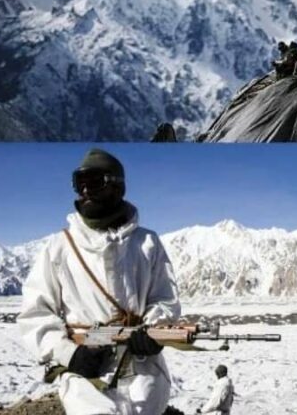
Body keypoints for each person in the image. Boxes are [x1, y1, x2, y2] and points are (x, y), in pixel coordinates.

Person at [18, 148, 181, 415]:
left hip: (144, 371)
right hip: (86, 376)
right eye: (79, 184)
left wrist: (153, 331)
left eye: (95, 182)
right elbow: (36, 313)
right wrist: (69, 354)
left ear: (117, 187)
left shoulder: (148, 243)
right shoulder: (59, 247)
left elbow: (164, 298)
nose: (85, 191)